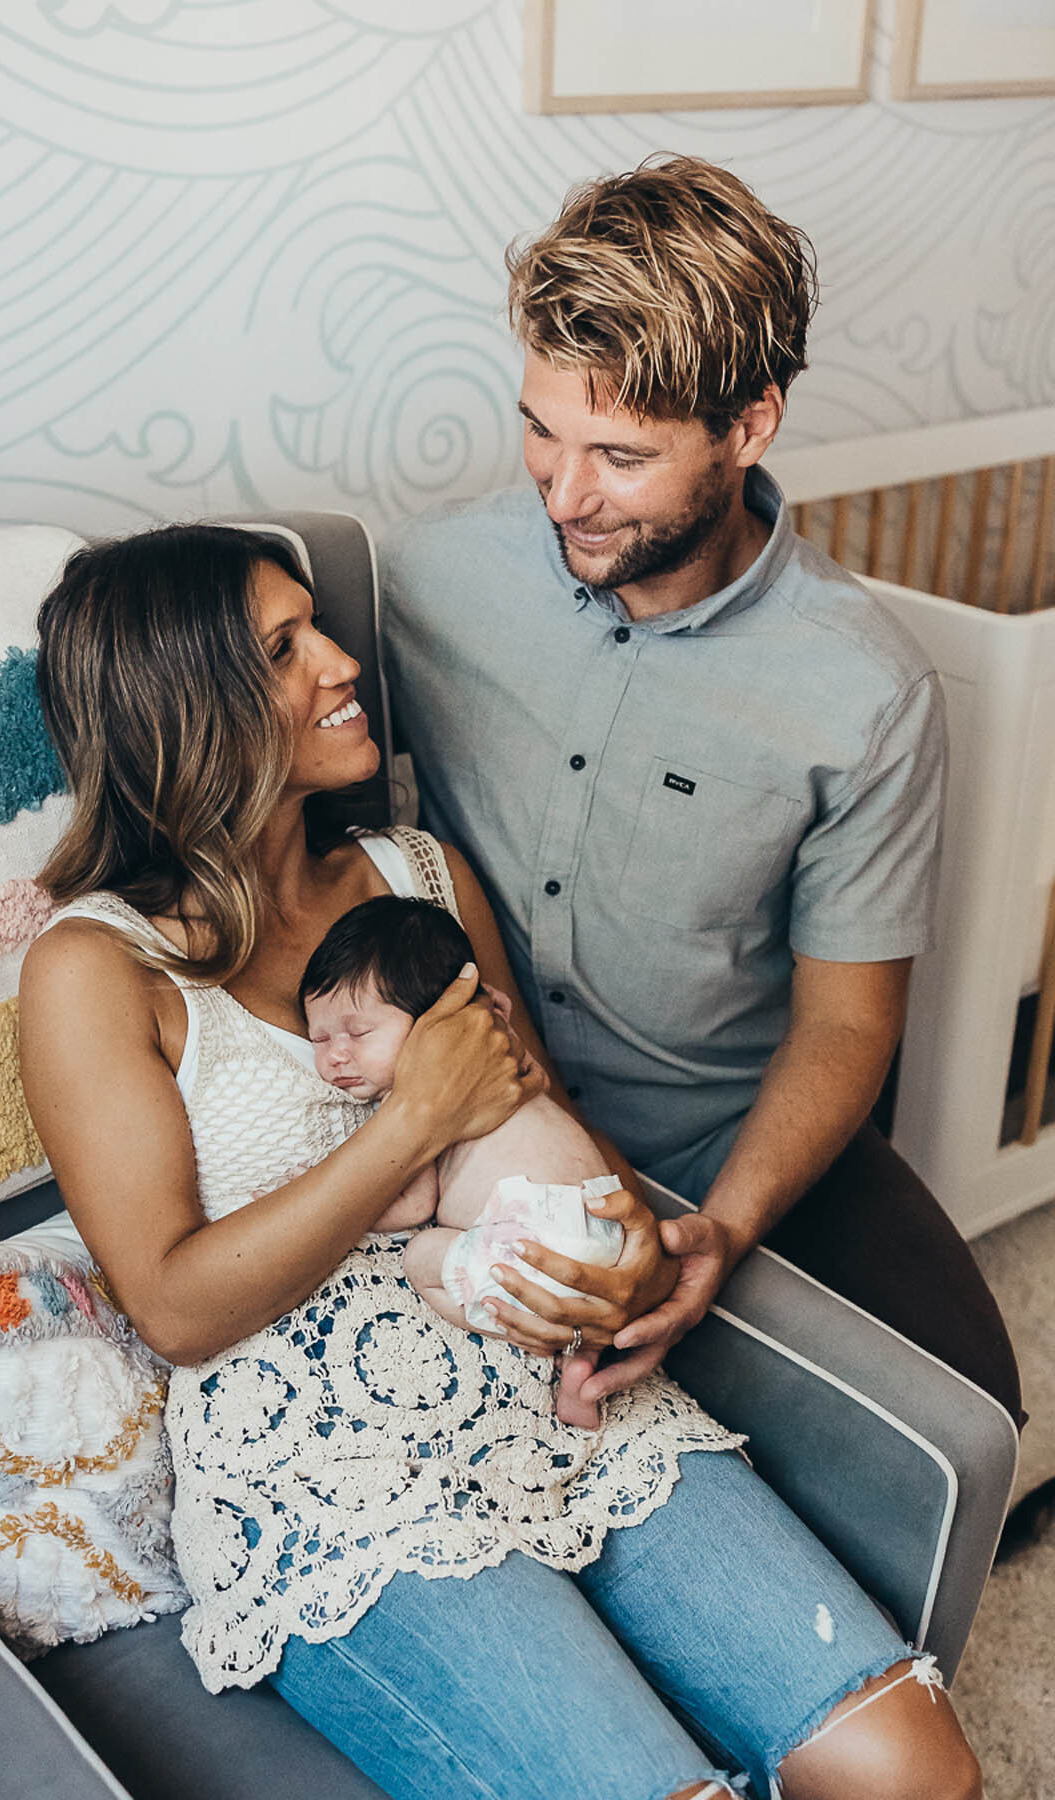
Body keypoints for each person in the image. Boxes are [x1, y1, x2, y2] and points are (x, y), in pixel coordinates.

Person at [18, 521, 981, 1800]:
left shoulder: (418, 876)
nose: (344, 658)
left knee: (910, 1765)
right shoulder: (96, 969)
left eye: (320, 623)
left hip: (551, 1382)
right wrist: (410, 1123)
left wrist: (626, 1228)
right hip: (328, 1458)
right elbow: (174, 1305)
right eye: (286, 646)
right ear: (188, 708)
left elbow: (544, 1126)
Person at [378, 154, 1023, 1430]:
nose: (563, 493)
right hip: (483, 1116)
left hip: (721, 1135)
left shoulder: (867, 695)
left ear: (750, 425)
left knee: (976, 1404)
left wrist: (724, 1229)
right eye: (540, 430)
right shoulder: (427, 579)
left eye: (620, 454)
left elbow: (845, 1025)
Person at [300, 892, 643, 1428]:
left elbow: (414, 1203)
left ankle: (532, 1345)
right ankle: (582, 1366)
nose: (335, 1054)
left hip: (529, 1241)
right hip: (606, 1237)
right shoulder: (508, 1062)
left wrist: (325, 1200)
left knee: (421, 1256)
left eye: (359, 1032)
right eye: (318, 1038)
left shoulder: (433, 1088)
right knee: (568, 1295)